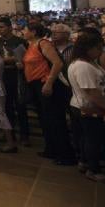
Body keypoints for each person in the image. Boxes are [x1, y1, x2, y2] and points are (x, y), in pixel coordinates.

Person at [23, 23, 76, 165]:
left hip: (46, 84)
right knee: (45, 119)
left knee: (55, 119)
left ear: (33, 32)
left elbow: (57, 63)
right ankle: (51, 149)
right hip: (35, 85)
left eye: (25, 30)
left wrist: (49, 83)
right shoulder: (31, 44)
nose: (23, 32)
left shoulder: (43, 43)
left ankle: (66, 154)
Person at [68, 29, 105, 182]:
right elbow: (92, 91)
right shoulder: (82, 66)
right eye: (98, 48)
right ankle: (93, 169)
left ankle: (86, 162)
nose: (101, 51)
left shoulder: (88, 63)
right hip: (88, 106)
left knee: (87, 137)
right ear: (88, 48)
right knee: (92, 138)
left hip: (84, 105)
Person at [0, 17, 30, 145]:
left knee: (20, 106)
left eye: (2, 27)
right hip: (2, 76)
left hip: (17, 76)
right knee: (6, 107)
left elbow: (23, 57)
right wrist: (10, 59)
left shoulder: (19, 41)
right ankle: (9, 134)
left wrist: (8, 60)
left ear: (10, 27)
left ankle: (24, 135)